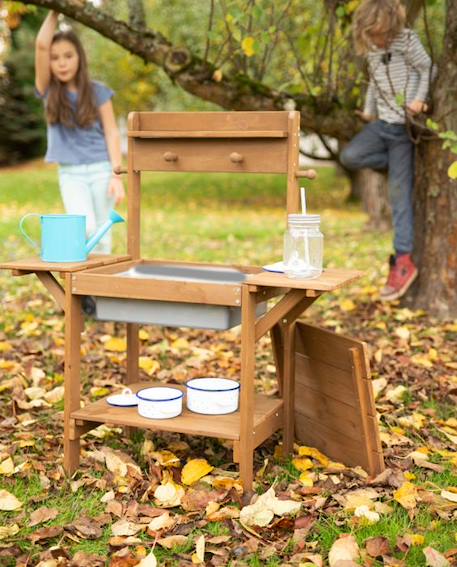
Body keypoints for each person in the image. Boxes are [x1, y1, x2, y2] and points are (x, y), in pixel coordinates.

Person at [340, 0, 434, 301]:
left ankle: (403, 261)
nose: (377, 39)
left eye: (380, 33)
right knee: (351, 156)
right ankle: (398, 167)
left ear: (391, 25)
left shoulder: (407, 40)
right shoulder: (373, 49)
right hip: (382, 125)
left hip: (403, 129)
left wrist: (419, 100)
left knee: (399, 198)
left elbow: (427, 68)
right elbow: (374, 83)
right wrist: (369, 111)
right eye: (371, 34)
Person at [35, 10, 125, 254]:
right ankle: (82, 289)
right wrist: (56, 9)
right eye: (55, 58)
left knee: (103, 238)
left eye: (68, 55)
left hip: (102, 170)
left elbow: (112, 133)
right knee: (84, 229)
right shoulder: (48, 91)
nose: (62, 63)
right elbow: (42, 46)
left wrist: (117, 176)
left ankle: (94, 293)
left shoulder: (99, 92)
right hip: (71, 175)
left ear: (79, 58)